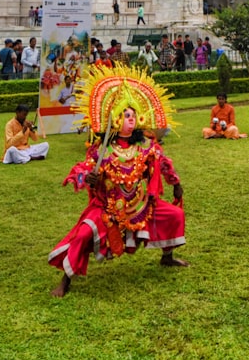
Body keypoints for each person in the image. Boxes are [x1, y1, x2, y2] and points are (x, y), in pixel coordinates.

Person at [49, 66, 187, 297]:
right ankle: (66, 280)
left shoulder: (145, 145)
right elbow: (82, 169)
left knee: (174, 215)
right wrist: (87, 177)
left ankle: (167, 257)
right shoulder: (102, 150)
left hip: (141, 205)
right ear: (115, 120)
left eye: (133, 115)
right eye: (126, 115)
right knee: (83, 234)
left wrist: (175, 183)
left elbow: (164, 164)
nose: (131, 119)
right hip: (108, 208)